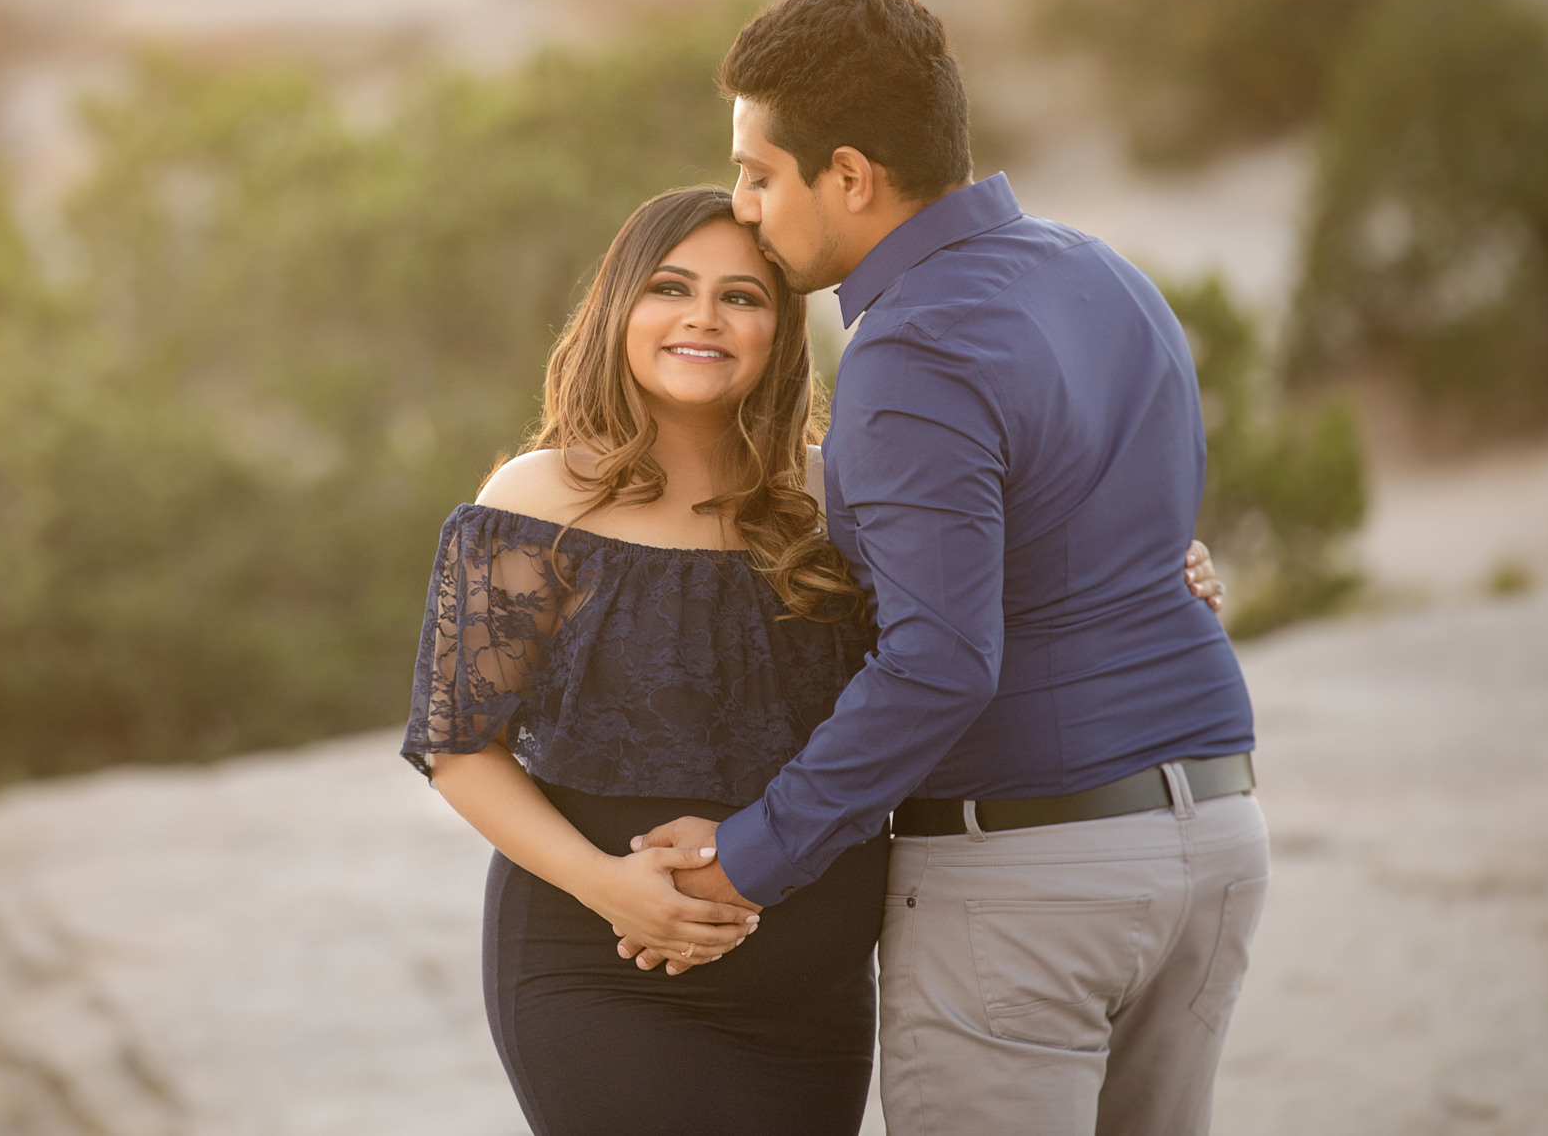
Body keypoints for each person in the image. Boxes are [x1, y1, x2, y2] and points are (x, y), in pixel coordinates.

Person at [402, 183, 1226, 1136]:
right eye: (671, 287)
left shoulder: (846, 491)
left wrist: (1168, 564)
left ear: (782, 329)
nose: (703, 317)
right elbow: (461, 747)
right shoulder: (538, 499)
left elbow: (978, 619)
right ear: (619, 307)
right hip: (601, 965)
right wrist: (607, 884)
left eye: (743, 296)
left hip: (811, 1002)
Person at [624, 0, 1266, 1136]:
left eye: (761, 173)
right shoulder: (1104, 276)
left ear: (852, 176)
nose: (745, 203)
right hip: (1214, 836)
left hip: (1033, 881)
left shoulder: (912, 346)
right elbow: (1137, 536)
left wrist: (748, 856)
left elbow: (939, 662)